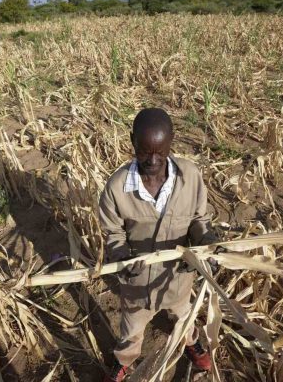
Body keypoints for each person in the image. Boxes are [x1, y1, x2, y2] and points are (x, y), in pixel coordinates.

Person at [99, 108, 217, 382]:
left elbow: (200, 220)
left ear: (171, 142)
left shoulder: (190, 177)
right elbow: (113, 232)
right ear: (132, 141)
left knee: (183, 316)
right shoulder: (117, 188)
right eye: (143, 152)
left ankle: (190, 341)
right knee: (131, 330)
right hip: (137, 284)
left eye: (160, 153)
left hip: (177, 279)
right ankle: (124, 361)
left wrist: (207, 244)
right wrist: (120, 256)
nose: (152, 161)